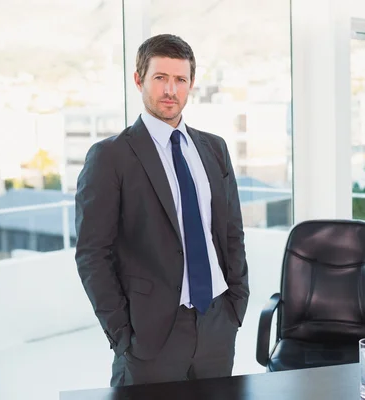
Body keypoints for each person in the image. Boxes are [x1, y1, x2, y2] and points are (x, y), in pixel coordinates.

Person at [75, 33, 249, 387]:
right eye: (160, 78)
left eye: (180, 80)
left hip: (216, 324)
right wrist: (123, 334)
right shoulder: (110, 156)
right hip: (150, 335)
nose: (171, 90)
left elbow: (231, 231)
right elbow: (93, 253)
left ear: (191, 84)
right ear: (139, 80)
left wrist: (235, 304)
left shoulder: (214, 149)